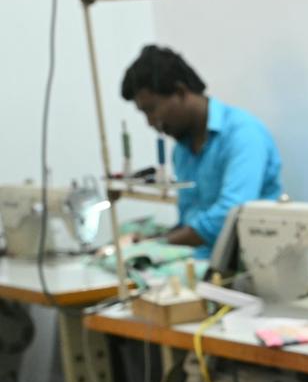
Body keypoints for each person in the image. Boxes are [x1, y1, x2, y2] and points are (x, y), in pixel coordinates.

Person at [120, 45, 283, 258]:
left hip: (250, 268)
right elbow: (190, 222)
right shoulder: (182, 151)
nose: (151, 123)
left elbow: (229, 216)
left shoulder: (242, 135)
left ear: (180, 92)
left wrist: (155, 246)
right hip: (201, 265)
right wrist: (150, 241)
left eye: (151, 109)